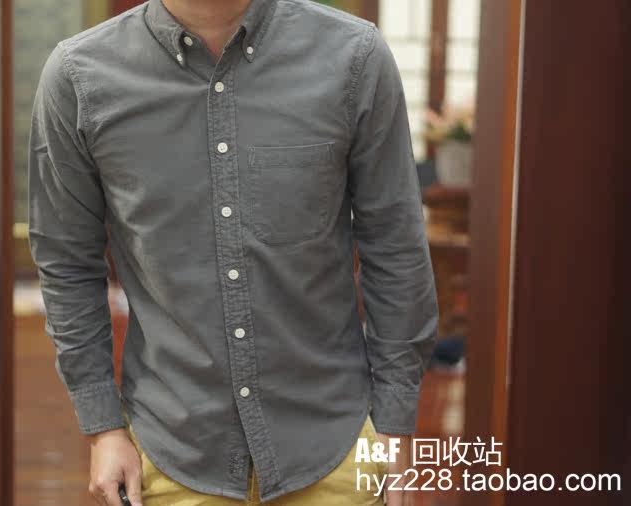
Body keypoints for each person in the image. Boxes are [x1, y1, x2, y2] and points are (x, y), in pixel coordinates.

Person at [27, 0, 439, 504]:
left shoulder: (353, 57)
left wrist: (394, 427)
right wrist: (102, 426)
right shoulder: (79, 77)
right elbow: (66, 263)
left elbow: (395, 245)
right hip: (169, 452)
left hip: (336, 447)